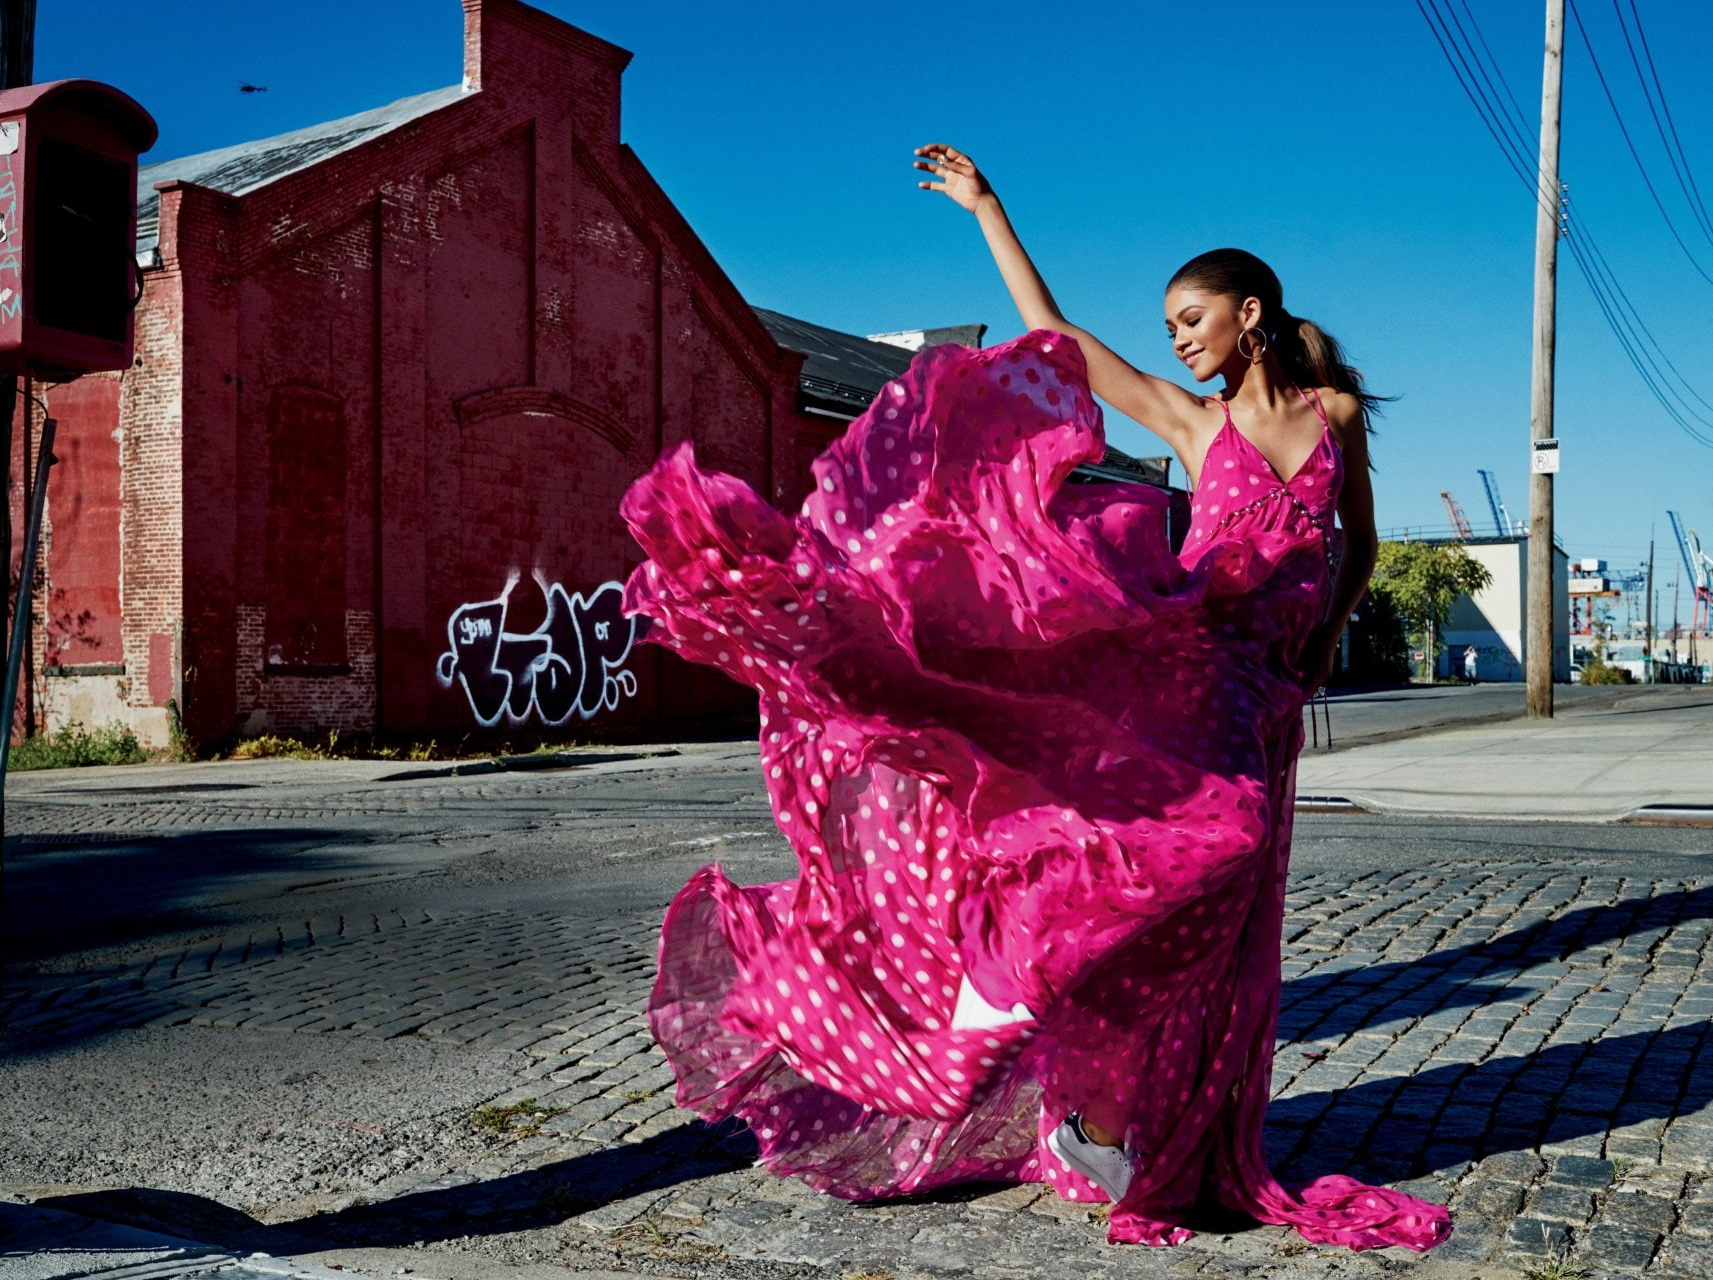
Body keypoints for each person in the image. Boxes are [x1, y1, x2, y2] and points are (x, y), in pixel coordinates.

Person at [617, 144, 1449, 1252]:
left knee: (1227, 937)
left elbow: (1363, 542)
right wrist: (988, 211)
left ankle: (1122, 1129)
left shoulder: (1332, 414)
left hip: (1273, 697)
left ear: (1250, 313)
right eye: (1168, 327)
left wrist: (1330, 636)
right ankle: (1012, 981)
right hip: (1195, 668)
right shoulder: (1199, 429)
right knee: (1202, 847)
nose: (1178, 340)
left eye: (1191, 319)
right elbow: (1063, 338)